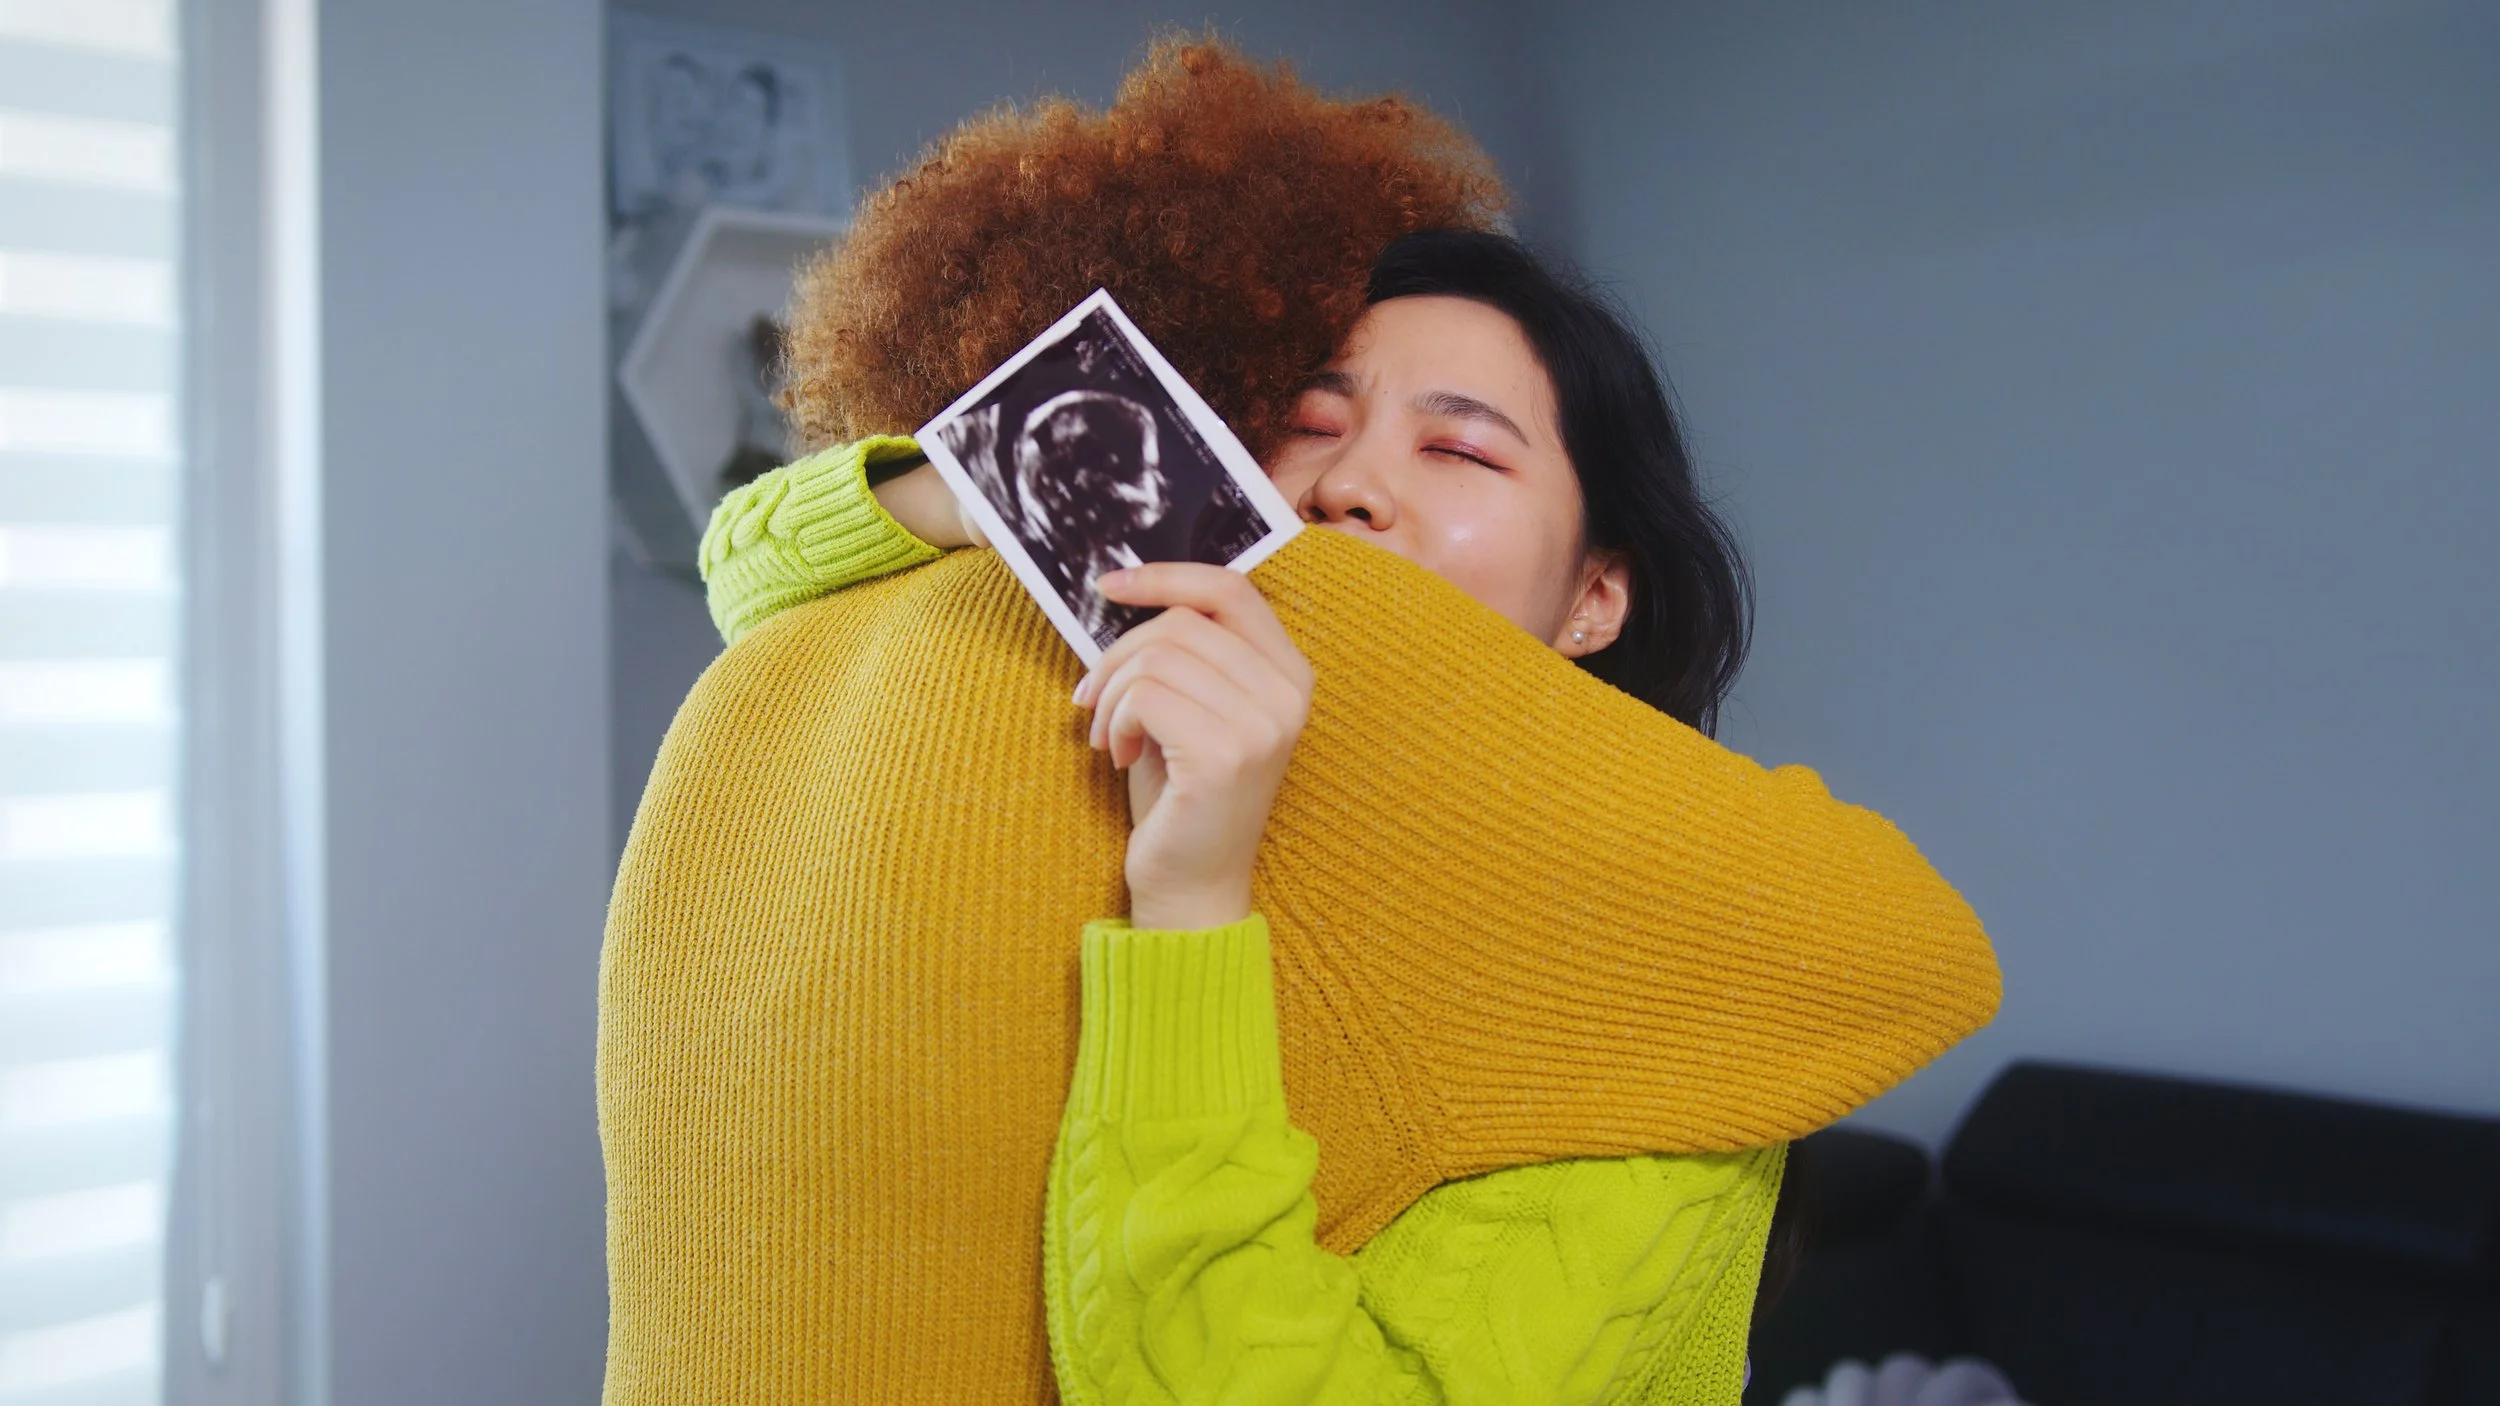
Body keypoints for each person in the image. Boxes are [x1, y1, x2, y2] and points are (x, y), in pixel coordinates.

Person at [602, 40, 1996, 1403]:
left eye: (1458, 449)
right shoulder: (1123, 732)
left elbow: (1919, 949)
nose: (1345, 490)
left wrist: (1193, 911)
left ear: (1597, 594)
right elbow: (750, 560)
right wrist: (979, 484)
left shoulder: (1641, 944)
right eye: (1305, 422)